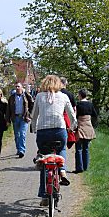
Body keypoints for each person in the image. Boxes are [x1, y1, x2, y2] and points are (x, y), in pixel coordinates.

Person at [31, 75, 77, 206]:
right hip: (59, 131)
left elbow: (34, 115)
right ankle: (62, 171)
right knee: (61, 149)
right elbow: (72, 116)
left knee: (44, 161)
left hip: (43, 133)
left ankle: (44, 196)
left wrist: (34, 129)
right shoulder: (64, 96)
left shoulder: (39, 96)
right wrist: (72, 128)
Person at [6, 82, 34, 158]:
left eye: (18, 86)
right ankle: (18, 149)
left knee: (22, 133)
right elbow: (8, 109)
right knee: (17, 135)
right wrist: (7, 120)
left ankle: (22, 150)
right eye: (16, 87)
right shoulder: (11, 97)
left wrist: (30, 115)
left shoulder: (26, 96)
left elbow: (32, 105)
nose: (17, 88)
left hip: (24, 118)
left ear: (22, 88)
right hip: (15, 118)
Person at [74, 88, 97, 174]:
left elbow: (75, 117)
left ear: (80, 95)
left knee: (78, 148)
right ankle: (86, 167)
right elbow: (95, 115)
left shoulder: (78, 105)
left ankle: (79, 168)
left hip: (80, 127)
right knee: (86, 148)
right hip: (88, 127)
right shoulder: (90, 104)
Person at [60, 77, 77, 149]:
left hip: (57, 116)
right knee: (67, 134)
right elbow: (74, 108)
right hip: (67, 117)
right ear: (65, 83)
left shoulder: (56, 93)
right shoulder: (70, 94)